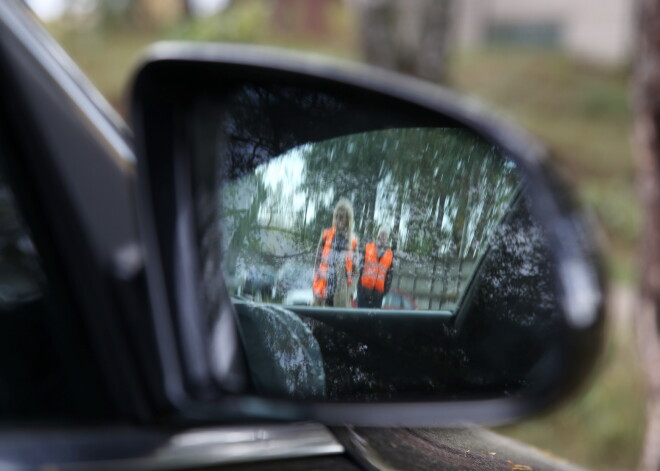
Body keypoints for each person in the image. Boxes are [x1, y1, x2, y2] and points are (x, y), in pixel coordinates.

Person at [312, 199, 358, 308]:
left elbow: (356, 271)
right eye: (336, 216)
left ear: (348, 219)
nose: (338, 220)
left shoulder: (353, 242)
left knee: (338, 322)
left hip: (341, 295)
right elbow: (317, 263)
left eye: (341, 217)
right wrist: (315, 285)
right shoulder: (326, 236)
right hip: (322, 292)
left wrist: (350, 292)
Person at [357, 226, 394, 308]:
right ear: (378, 235)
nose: (383, 237)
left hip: (378, 294)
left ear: (387, 239)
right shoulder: (368, 248)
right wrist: (359, 286)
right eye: (382, 234)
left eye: (385, 235)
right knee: (361, 317)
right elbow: (359, 267)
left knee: (374, 319)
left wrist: (385, 291)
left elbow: (389, 275)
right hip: (364, 291)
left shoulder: (389, 254)